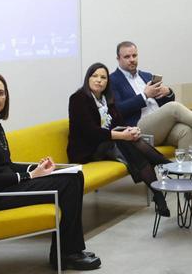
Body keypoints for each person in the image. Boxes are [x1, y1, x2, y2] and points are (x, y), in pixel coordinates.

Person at [0, 73, 101, 272]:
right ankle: (66, 254)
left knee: (74, 175)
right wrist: (30, 176)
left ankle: (68, 250)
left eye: (0, 93)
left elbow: (6, 165)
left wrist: (36, 169)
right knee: (67, 183)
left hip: (2, 188)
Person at [68, 62, 171, 216]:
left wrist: (130, 129)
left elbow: (118, 122)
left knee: (129, 143)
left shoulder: (106, 98)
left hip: (108, 143)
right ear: (87, 78)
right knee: (126, 142)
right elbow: (91, 133)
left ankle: (158, 194)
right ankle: (164, 164)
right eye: (94, 76)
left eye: (103, 77)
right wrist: (122, 135)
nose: (99, 80)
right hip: (88, 149)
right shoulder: (78, 99)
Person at [109, 40, 192, 151]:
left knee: (185, 131)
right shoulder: (113, 80)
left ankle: (189, 181)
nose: (132, 59)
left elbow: (166, 104)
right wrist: (144, 96)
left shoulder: (146, 76)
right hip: (138, 129)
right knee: (173, 107)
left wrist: (168, 93)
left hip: (160, 127)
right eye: (127, 57)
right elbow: (118, 110)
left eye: (134, 55)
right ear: (118, 59)